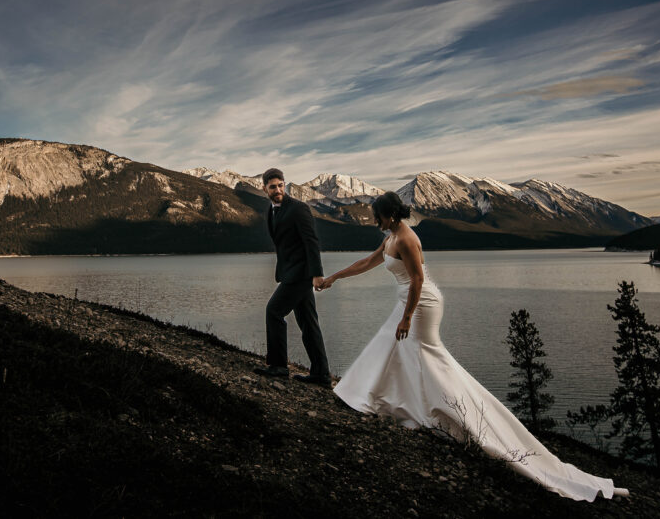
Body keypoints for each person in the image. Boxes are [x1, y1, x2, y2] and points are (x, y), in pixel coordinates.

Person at [318, 192, 628, 502]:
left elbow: (417, 280)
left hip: (421, 304)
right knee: (395, 349)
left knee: (424, 355)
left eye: (378, 216)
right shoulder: (391, 238)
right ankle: (400, 403)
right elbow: (368, 261)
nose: (375, 221)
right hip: (408, 301)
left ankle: (453, 415)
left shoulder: (407, 239)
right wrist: (334, 277)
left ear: (391, 215)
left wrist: (407, 318)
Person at [253, 168, 331, 385]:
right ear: (264, 188)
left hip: (300, 274)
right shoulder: (271, 210)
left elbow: (311, 241)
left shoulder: (298, 209)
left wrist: (317, 274)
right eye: (272, 187)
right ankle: (321, 375)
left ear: (284, 185)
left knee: (274, 311)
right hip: (290, 272)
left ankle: (278, 366)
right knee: (308, 322)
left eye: (280, 185)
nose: (277, 190)